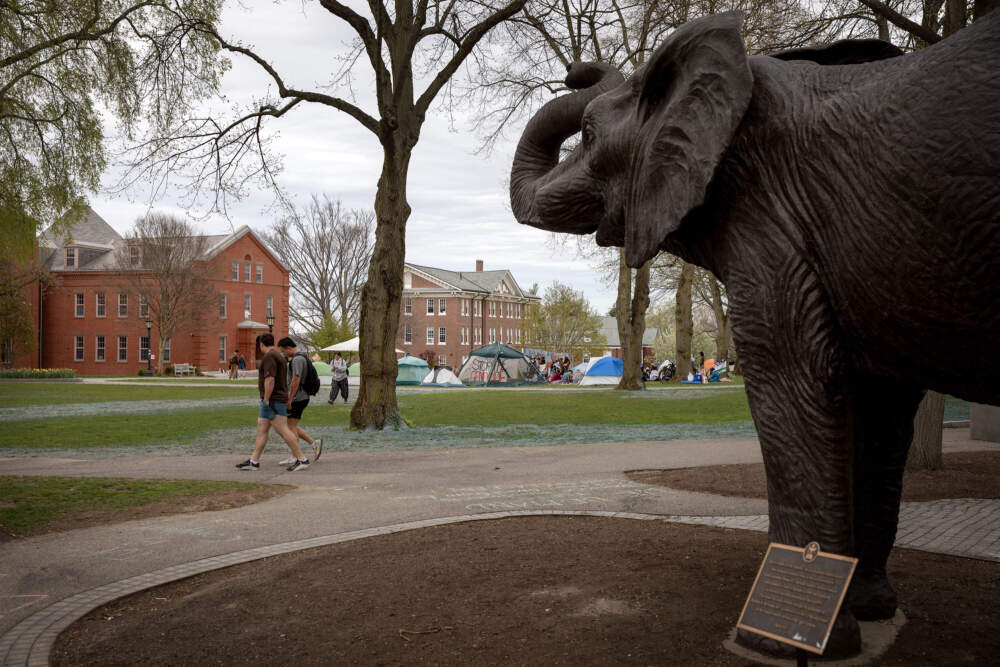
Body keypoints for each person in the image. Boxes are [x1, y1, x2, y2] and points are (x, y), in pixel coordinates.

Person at [235, 333, 311, 472]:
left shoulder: (270, 356)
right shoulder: (279, 356)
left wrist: (266, 399)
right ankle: (254, 461)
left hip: (272, 400)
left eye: (259, 345)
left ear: (262, 344)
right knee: (262, 428)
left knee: (283, 430)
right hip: (274, 399)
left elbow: (270, 379)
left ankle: (302, 459)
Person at [277, 337, 322, 465]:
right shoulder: (302, 357)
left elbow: (296, 379)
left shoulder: (297, 359)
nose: (284, 355)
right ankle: (313, 444)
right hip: (301, 397)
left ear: (289, 348)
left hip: (298, 398)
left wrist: (289, 398)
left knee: (289, 427)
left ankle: (295, 456)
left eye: (283, 352)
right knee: (291, 426)